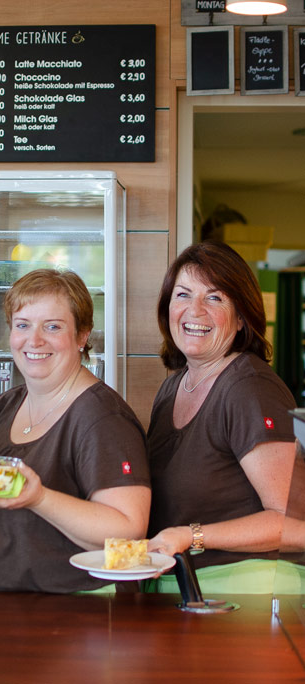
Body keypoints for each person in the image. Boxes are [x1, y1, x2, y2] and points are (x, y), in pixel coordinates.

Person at [0, 269, 151, 593]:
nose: (34, 340)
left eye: (52, 327)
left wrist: (40, 499)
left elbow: (129, 532)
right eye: (23, 325)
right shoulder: (4, 407)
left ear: (82, 336)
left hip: (75, 618)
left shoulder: (103, 418)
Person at [146, 240, 297, 594]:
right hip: (191, 589)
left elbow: (293, 522)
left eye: (214, 298)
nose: (194, 310)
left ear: (242, 317)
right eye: (183, 295)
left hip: (248, 592)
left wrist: (191, 536)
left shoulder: (250, 389)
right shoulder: (172, 389)